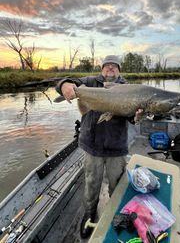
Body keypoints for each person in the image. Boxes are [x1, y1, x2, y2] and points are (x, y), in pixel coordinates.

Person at [56, 55, 140, 239]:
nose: (110, 68)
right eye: (107, 66)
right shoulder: (89, 82)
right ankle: (90, 213)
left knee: (117, 184)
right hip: (91, 146)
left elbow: (132, 119)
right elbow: (66, 81)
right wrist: (65, 86)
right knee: (92, 183)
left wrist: (137, 115)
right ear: (102, 69)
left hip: (116, 148)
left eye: (114, 66)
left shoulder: (129, 88)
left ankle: (116, 212)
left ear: (119, 70)